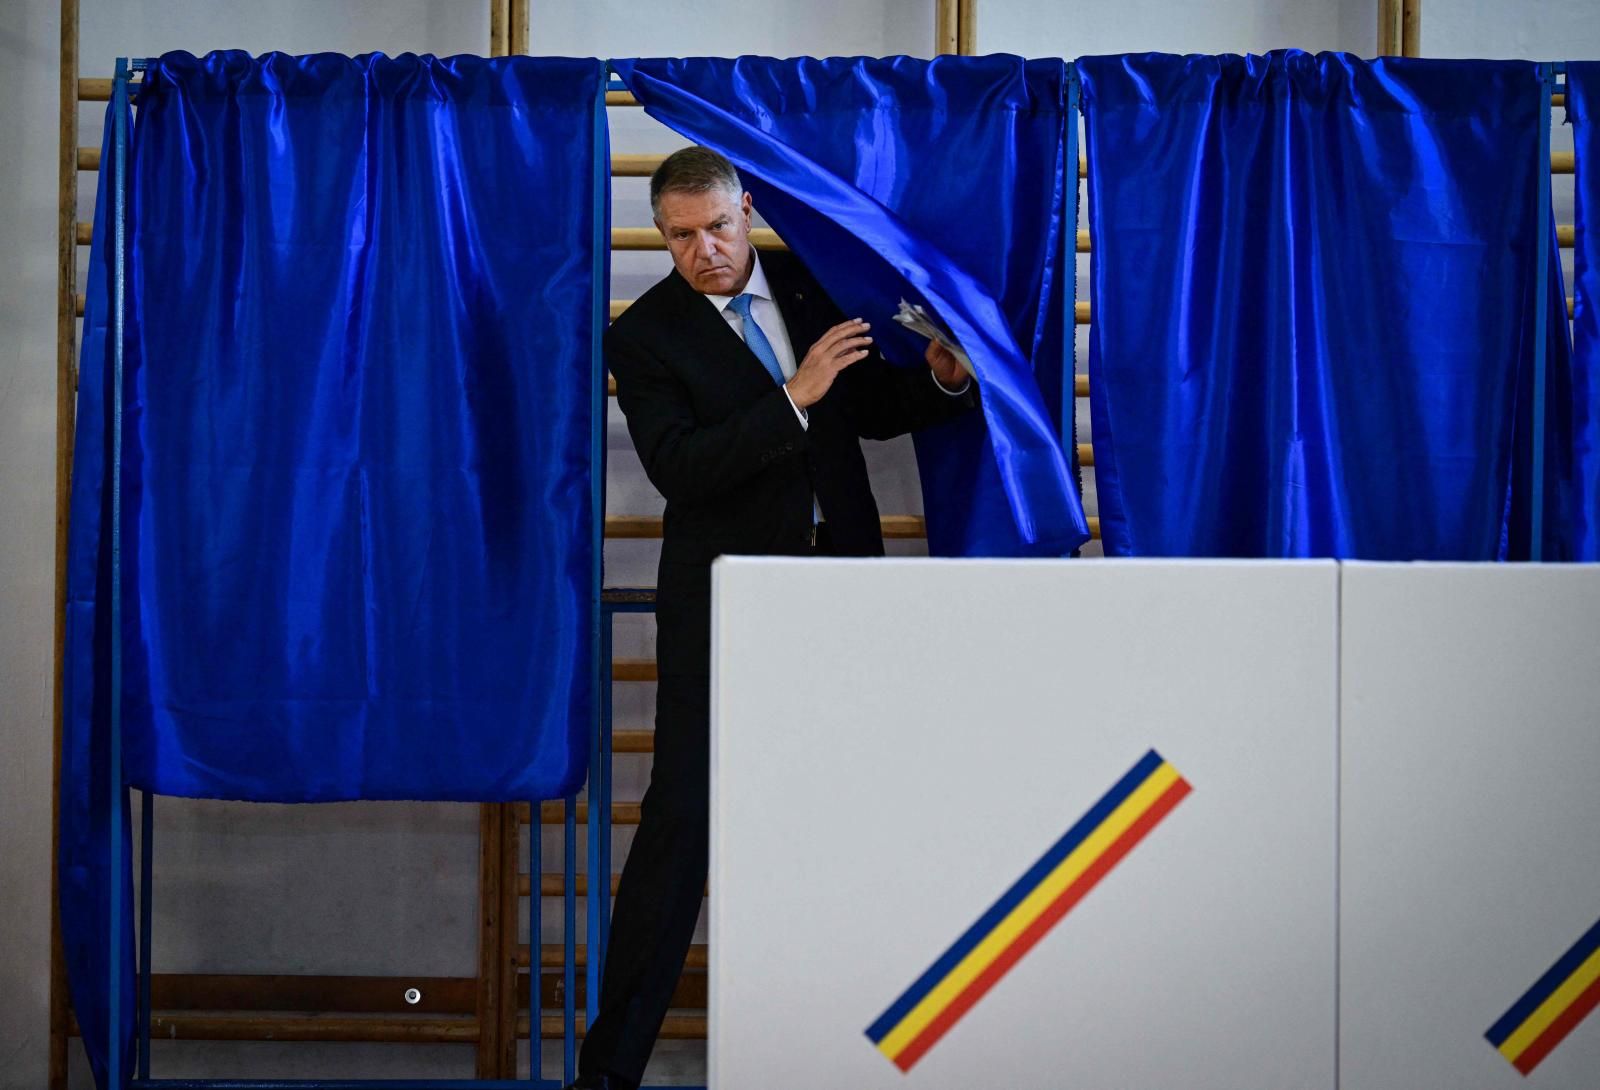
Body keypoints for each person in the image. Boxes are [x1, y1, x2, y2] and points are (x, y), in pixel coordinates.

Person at [567, 146, 974, 1090]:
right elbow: (685, 469)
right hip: (725, 610)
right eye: (680, 237)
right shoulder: (645, 335)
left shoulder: (808, 281)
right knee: (679, 836)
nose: (704, 250)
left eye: (716, 226)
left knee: (853, 824)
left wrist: (945, 380)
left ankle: (850, 1062)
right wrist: (795, 397)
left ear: (746, 209)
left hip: (840, 600)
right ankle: (608, 1076)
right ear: (662, 238)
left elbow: (866, 409)